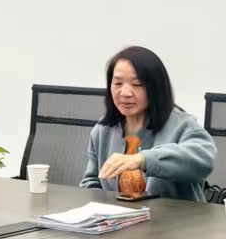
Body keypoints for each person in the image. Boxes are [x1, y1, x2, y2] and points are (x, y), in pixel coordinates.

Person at [82, 46, 216, 201]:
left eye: (137, 84)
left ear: (155, 87)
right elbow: (91, 181)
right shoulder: (103, 129)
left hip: (173, 216)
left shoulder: (182, 125)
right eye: (118, 83)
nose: (125, 93)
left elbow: (204, 160)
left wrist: (142, 160)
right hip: (118, 216)